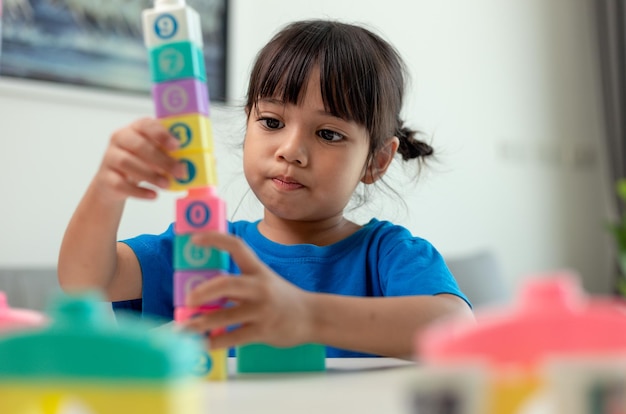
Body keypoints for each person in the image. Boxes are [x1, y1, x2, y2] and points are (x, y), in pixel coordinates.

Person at [58, 19, 474, 359]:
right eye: (272, 123)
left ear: (376, 161)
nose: (291, 151)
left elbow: (455, 329)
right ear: (247, 123)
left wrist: (305, 315)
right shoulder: (206, 249)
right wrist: (107, 190)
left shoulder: (388, 254)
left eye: (328, 134)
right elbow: (86, 281)